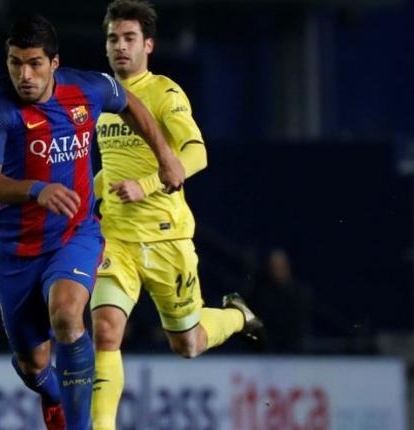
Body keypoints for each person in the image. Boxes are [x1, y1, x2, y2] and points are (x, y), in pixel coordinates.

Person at [0, 15, 185, 430]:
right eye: (15, 63)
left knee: (69, 316)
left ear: (54, 63)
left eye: (34, 63)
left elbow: (128, 101)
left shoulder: (86, 88)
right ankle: (51, 394)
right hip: (16, 250)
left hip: (76, 234)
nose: (24, 74)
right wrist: (37, 189)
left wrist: (166, 157)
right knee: (33, 364)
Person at [89, 2, 263, 429]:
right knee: (106, 329)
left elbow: (197, 153)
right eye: (113, 38)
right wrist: (89, 193)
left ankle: (238, 315)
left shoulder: (165, 93)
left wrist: (146, 186)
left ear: (148, 45)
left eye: (129, 39)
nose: (120, 47)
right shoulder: (100, 99)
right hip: (117, 240)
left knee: (187, 344)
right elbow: (110, 168)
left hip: (166, 239)